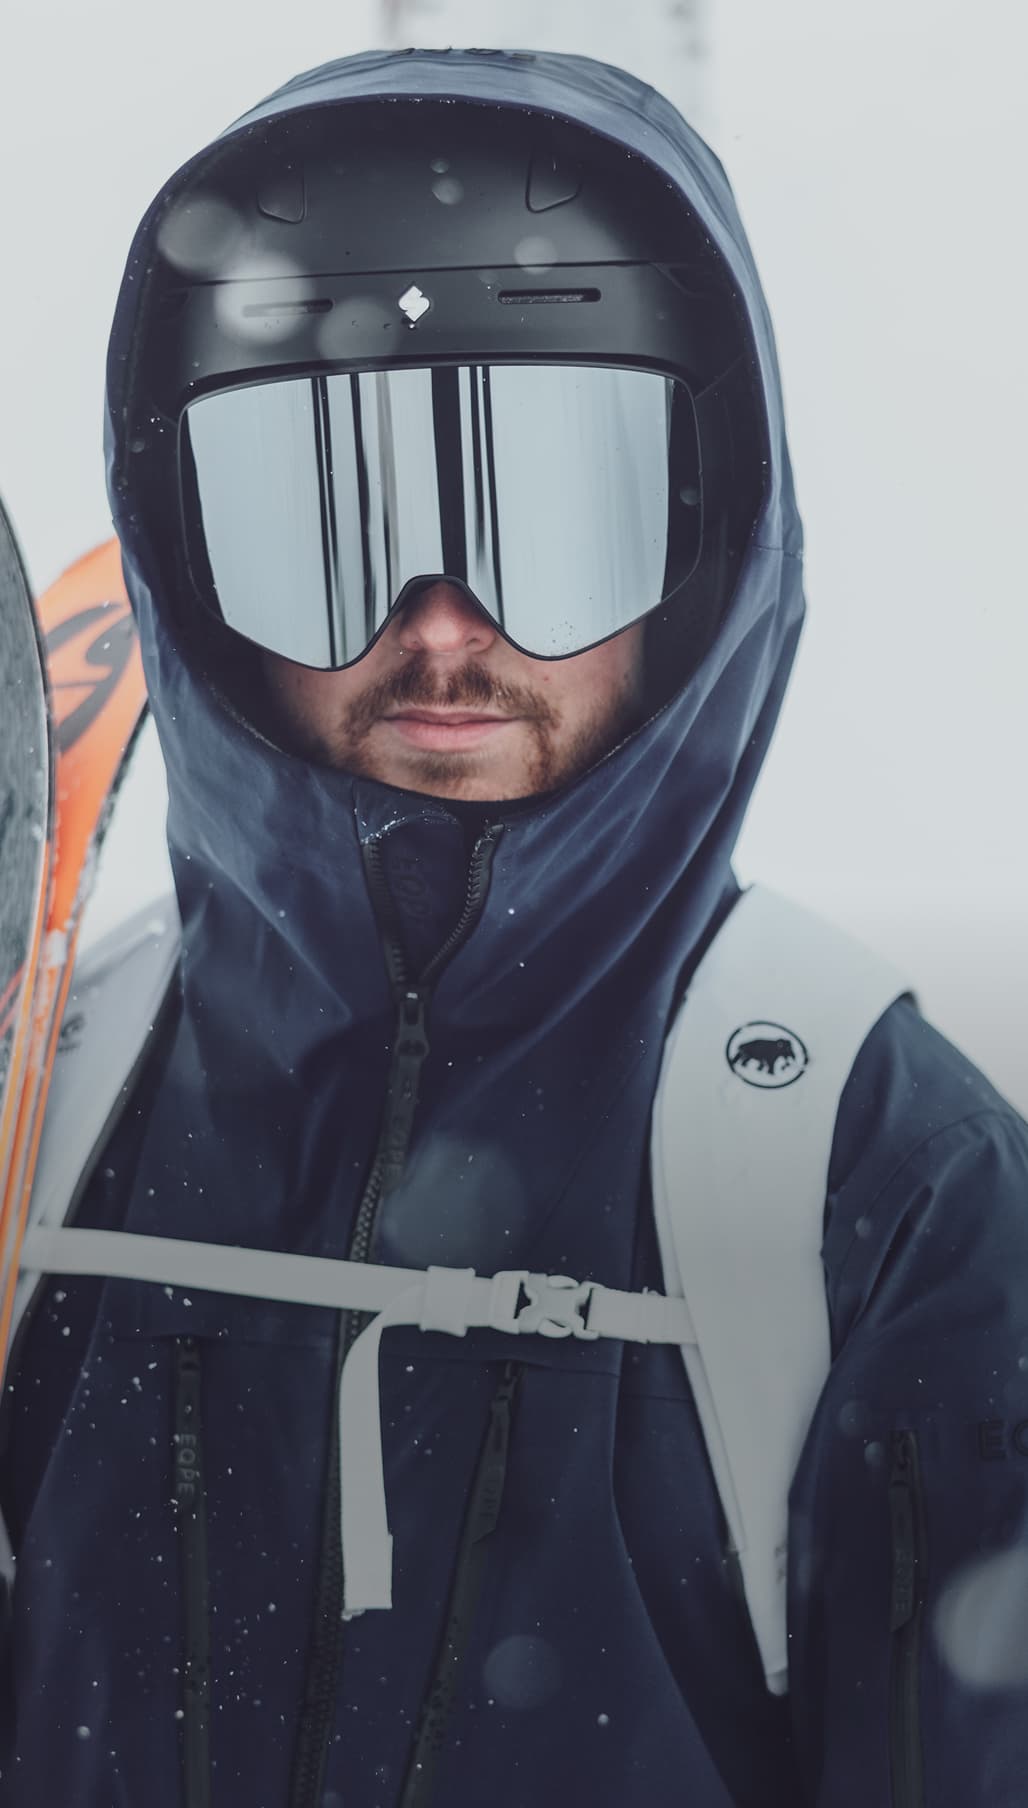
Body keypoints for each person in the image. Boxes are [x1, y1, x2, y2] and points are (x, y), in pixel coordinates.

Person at [2, 45, 1027, 1808]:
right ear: (185, 553)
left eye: (559, 501)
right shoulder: (54, 1108)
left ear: (702, 536)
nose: (443, 624)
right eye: (316, 511)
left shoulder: (868, 1165)